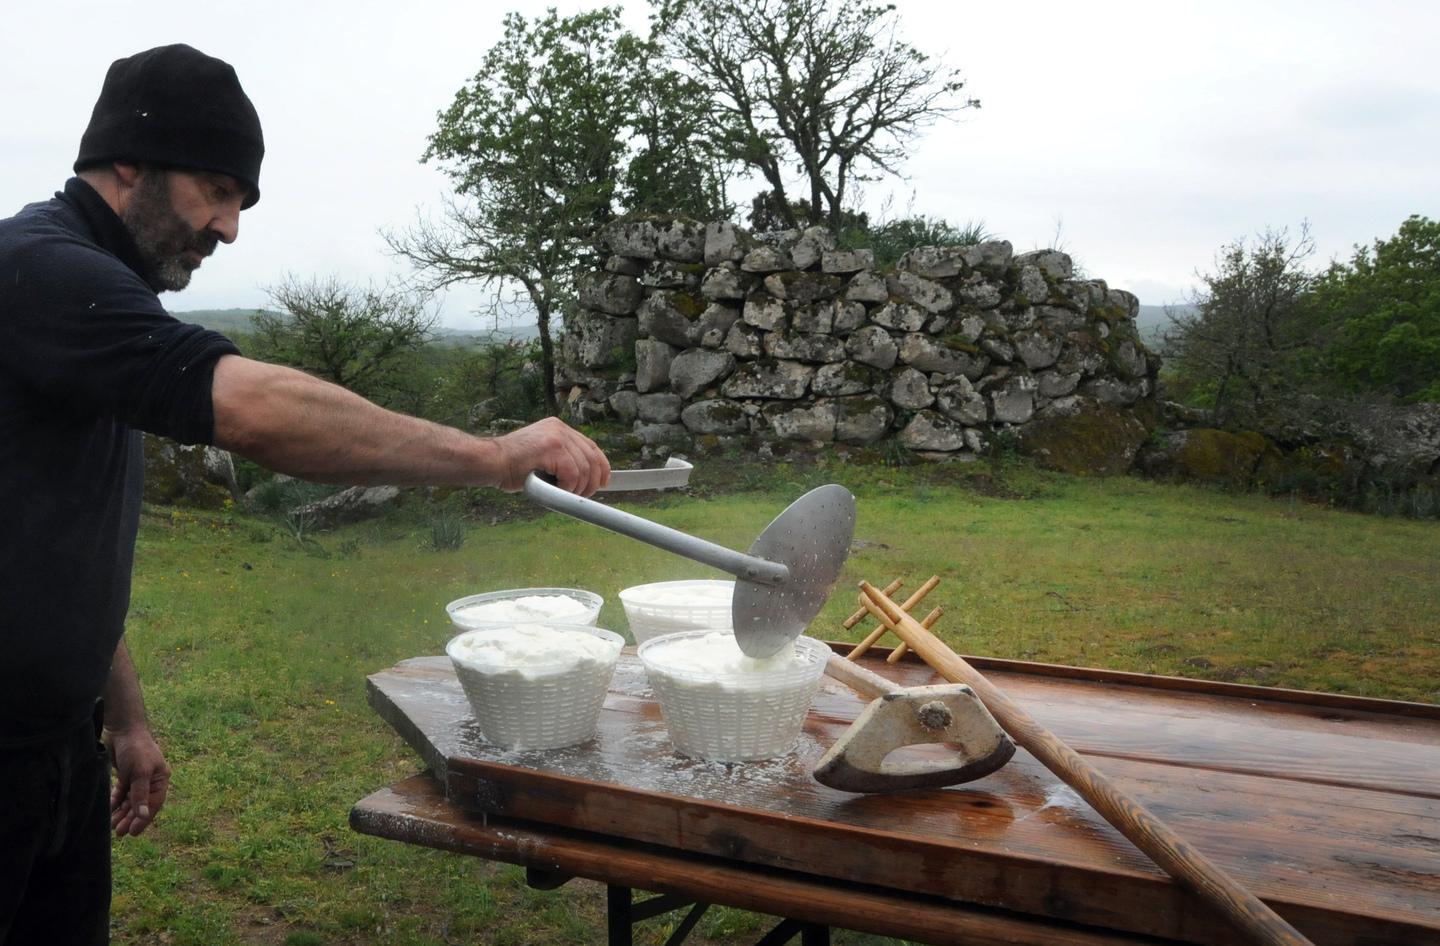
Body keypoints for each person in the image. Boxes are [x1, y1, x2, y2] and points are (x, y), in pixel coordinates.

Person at [0, 44, 611, 945]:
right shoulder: (36, 271)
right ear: (129, 164)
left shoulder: (94, 310)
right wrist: (493, 456)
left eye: (241, 201)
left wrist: (122, 717)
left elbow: (60, 546)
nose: (230, 227)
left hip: (61, 753)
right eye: (216, 189)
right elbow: (253, 410)